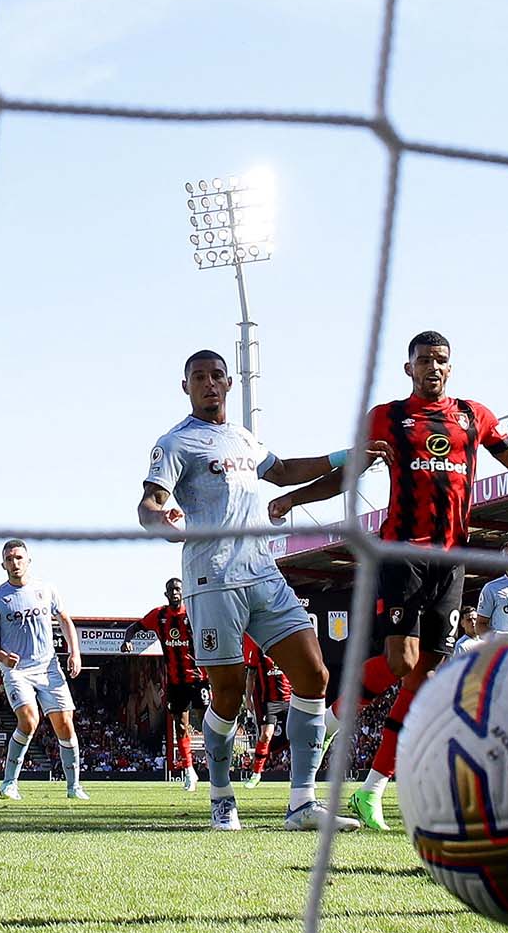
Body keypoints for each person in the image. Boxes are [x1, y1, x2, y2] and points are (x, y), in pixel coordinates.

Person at [269, 330, 508, 832]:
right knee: (403, 661)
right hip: (401, 553)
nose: (433, 368)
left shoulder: (474, 416)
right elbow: (349, 472)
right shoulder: (388, 417)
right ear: (409, 368)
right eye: (424, 361)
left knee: (424, 677)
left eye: (441, 360)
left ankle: (371, 791)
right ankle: (330, 721)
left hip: (452, 561)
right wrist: (295, 498)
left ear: (450, 367)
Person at [138, 348, 362, 833]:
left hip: (263, 573)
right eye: (199, 377)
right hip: (212, 580)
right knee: (228, 695)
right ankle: (221, 797)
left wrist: (350, 455)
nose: (209, 384)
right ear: (186, 386)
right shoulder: (176, 443)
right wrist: (163, 523)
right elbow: (149, 503)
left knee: (315, 675)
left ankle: (302, 805)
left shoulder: (243, 438)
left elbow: (283, 471)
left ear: (229, 383)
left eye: (217, 375)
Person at [0, 540, 86, 801]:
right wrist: (2, 657)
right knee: (29, 720)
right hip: (17, 671)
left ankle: (74, 787)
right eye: (9, 559)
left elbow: (65, 619)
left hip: (48, 667)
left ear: (28, 561)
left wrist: (74, 653)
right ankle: (9, 783)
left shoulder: (46, 589)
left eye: (19, 557)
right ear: (2, 564)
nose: (14, 563)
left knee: (65, 724)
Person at [121, 577, 205, 791]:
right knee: (181, 727)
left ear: (183, 592)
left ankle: (214, 766)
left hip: (199, 679)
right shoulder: (159, 616)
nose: (175, 592)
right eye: (171, 590)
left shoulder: (194, 613)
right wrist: (127, 641)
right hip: (176, 682)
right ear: (166, 594)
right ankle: (189, 771)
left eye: (178, 589)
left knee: (208, 724)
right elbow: (134, 627)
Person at [243, 637, 291, 788]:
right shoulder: (259, 649)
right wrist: (248, 698)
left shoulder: (289, 646)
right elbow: (251, 675)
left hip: (290, 700)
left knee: (296, 737)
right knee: (266, 735)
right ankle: (256, 773)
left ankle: (302, 776)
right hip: (270, 702)